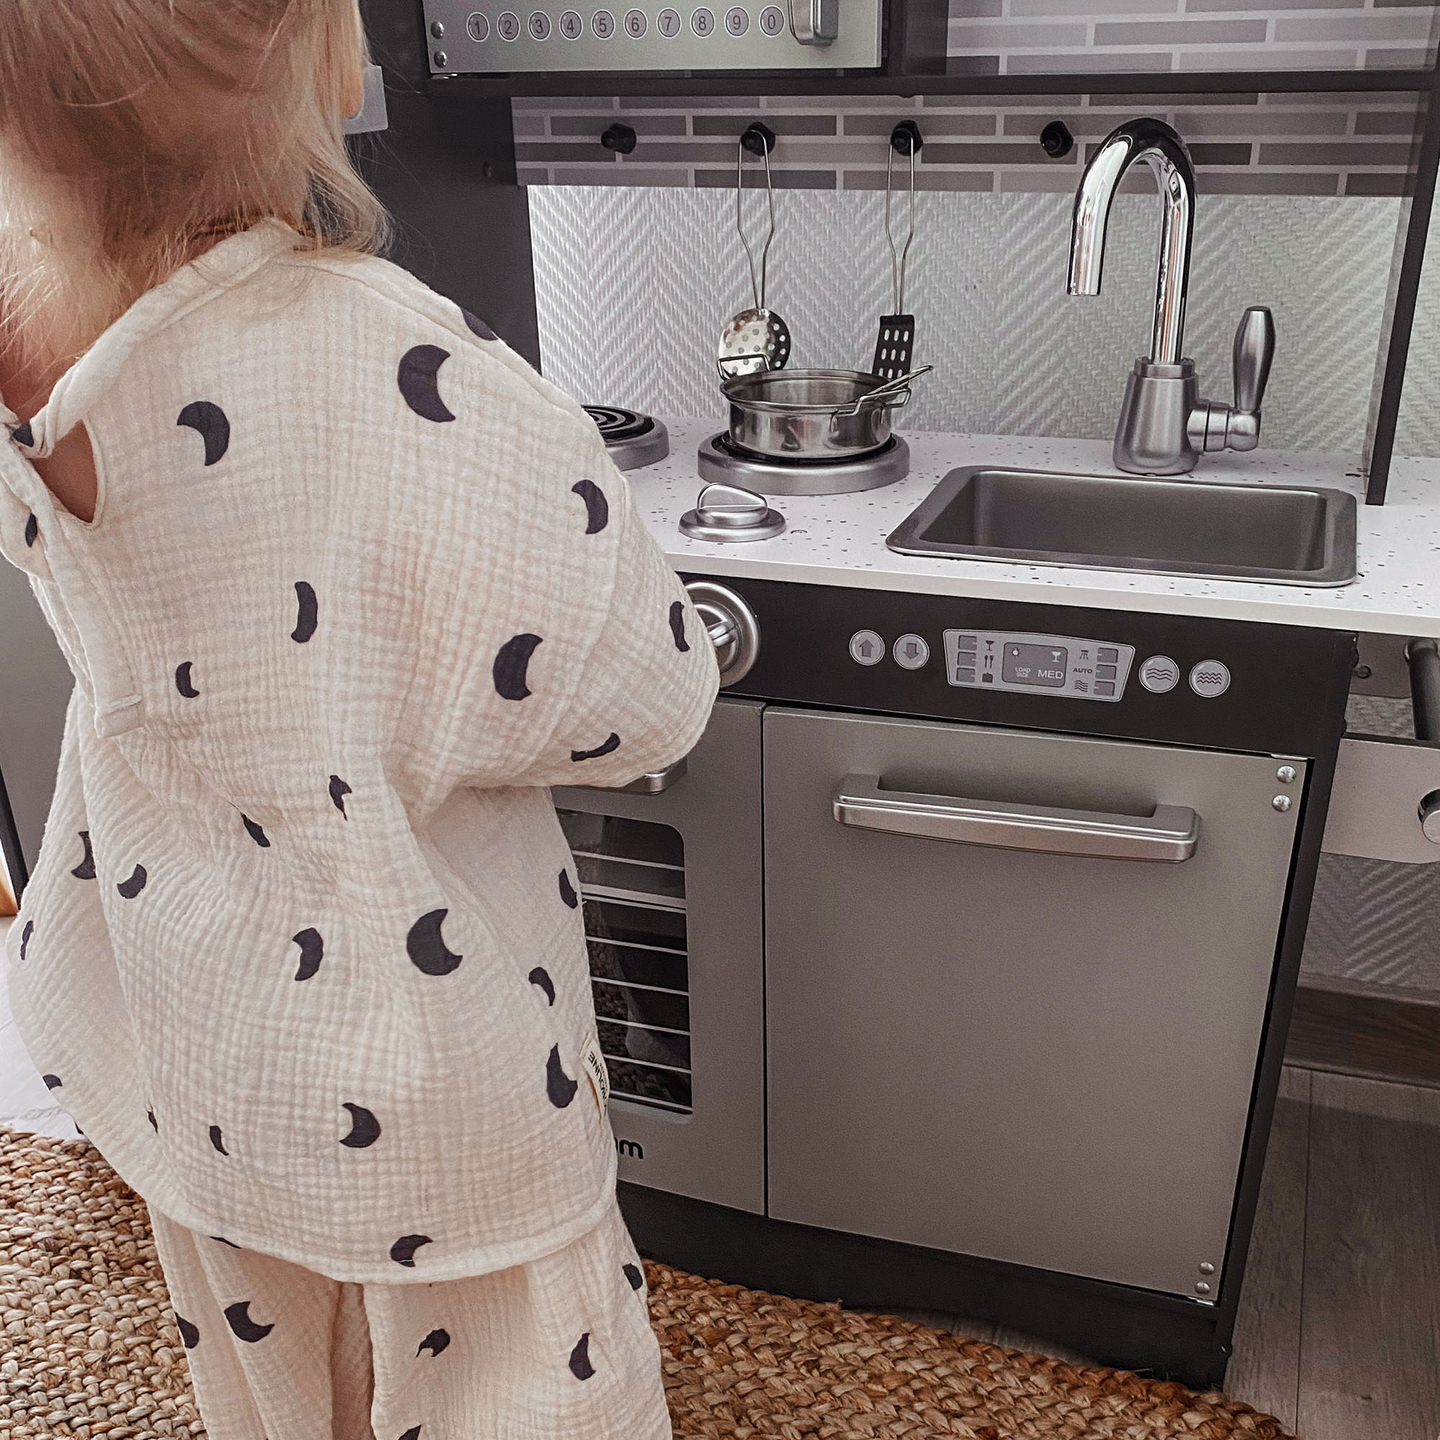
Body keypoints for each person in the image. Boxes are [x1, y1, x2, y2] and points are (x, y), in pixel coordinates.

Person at [0, 4, 718, 1436]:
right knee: (523, 1394)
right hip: (442, 1076)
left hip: (195, 1035)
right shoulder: (417, 372)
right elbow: (650, 694)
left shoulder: (30, 343)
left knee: (273, 1390)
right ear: (322, 55)